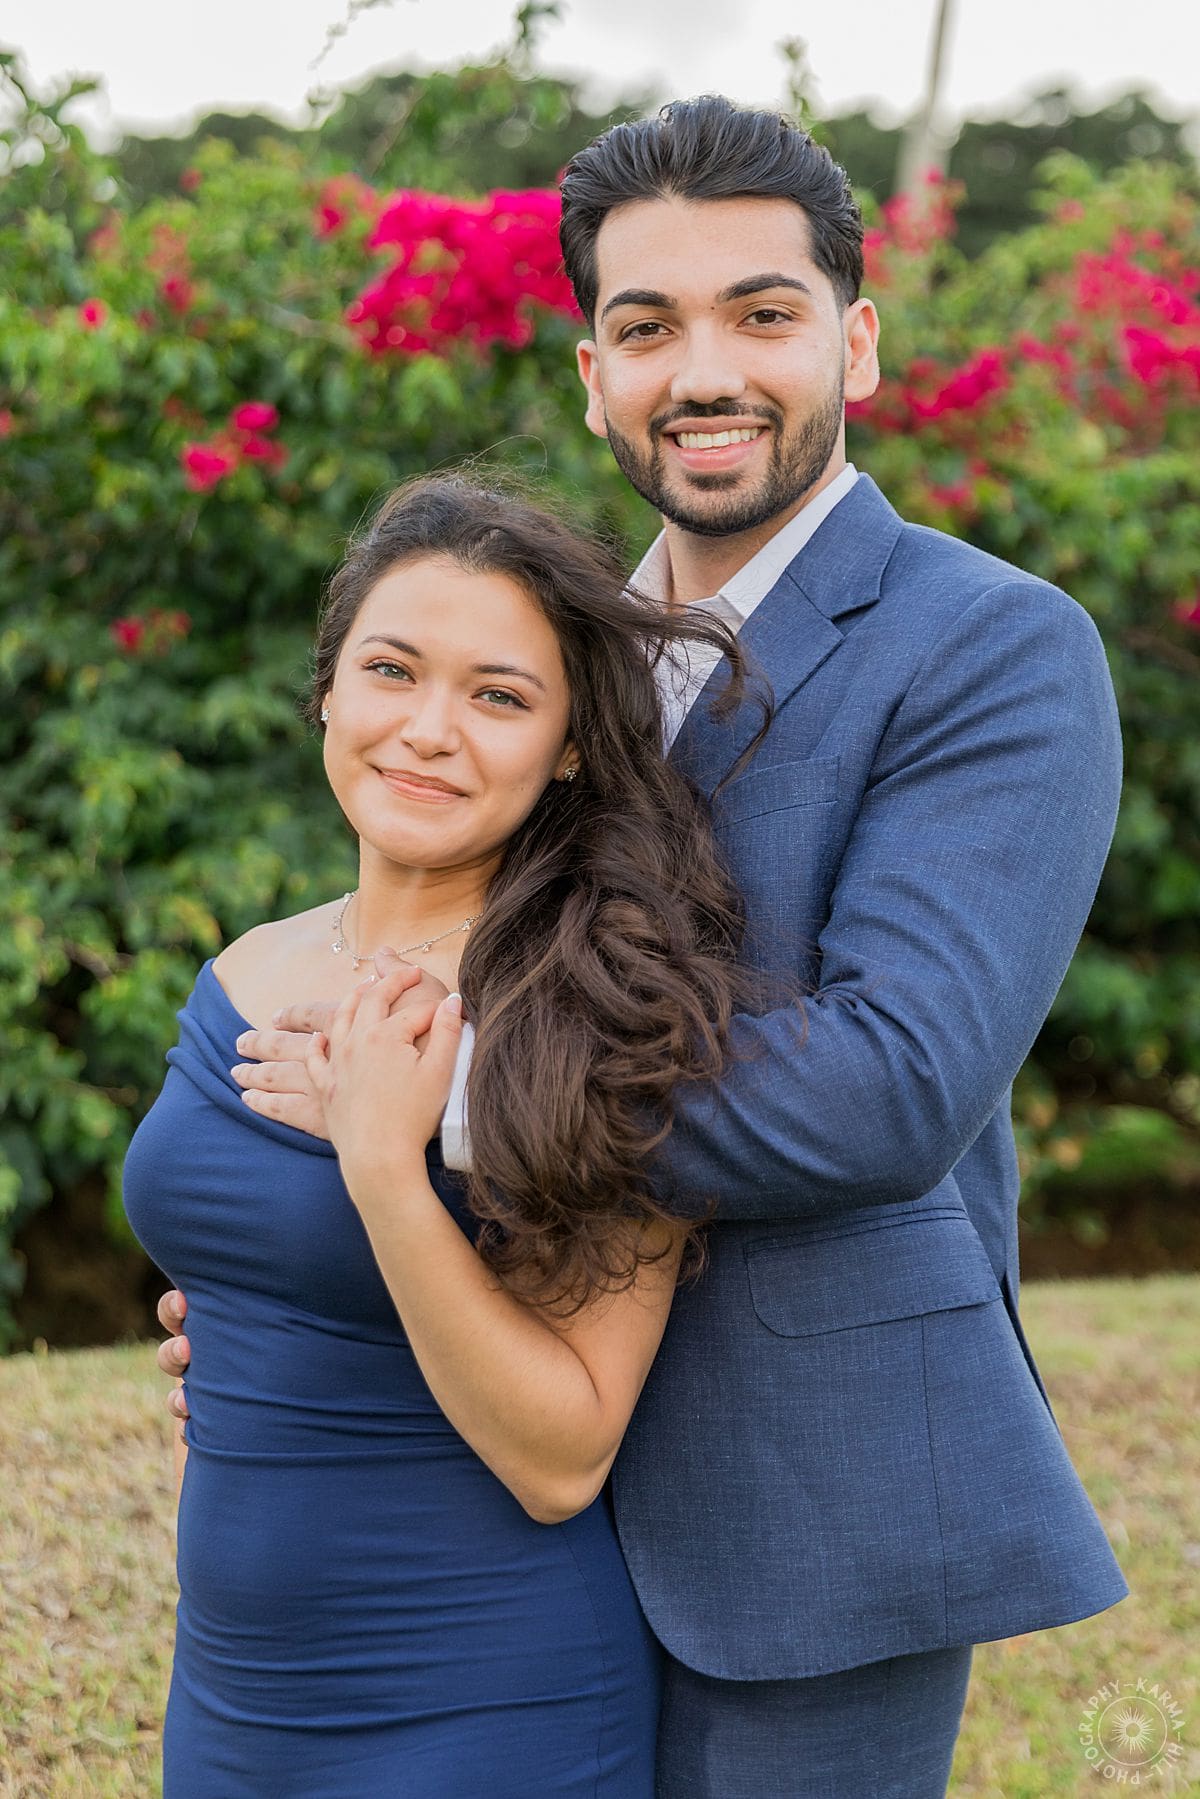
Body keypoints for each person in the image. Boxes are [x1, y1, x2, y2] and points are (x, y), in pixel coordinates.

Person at [156, 98, 1129, 1797]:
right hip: (498, 1487)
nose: (707, 371)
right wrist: (313, 1281)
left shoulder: (993, 652)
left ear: (859, 340)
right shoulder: (555, 661)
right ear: (592, 374)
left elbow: (891, 1085)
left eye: (763, 314)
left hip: (801, 1512)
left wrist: (430, 1110)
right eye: (645, 324)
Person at [124, 472, 768, 1797]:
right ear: (327, 690)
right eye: (391, 670)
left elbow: (562, 1457)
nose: (427, 730)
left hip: (483, 1694)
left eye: (498, 696)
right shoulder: (252, 967)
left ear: (572, 745)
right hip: (235, 1692)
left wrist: (384, 1171)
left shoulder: (605, 1010)